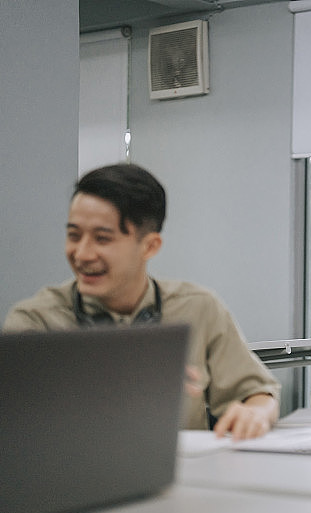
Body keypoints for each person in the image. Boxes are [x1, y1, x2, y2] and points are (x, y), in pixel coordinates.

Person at [3, 163, 280, 441]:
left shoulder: (199, 308)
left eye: (102, 239)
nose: (83, 254)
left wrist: (256, 413)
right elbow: (16, 418)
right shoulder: (35, 321)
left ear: (150, 246)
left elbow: (258, 393)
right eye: (74, 235)